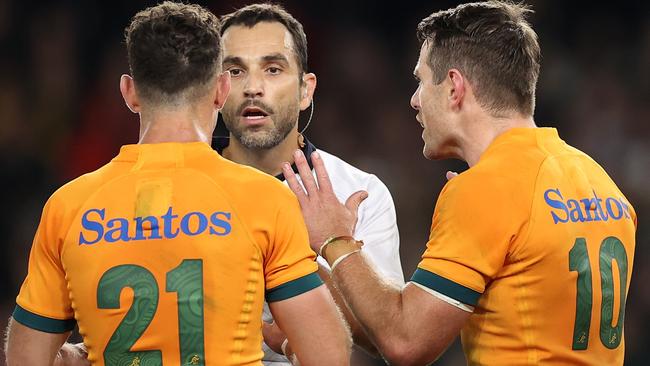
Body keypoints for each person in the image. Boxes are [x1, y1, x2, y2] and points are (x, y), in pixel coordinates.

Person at [283, 1, 637, 365]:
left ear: (454, 87)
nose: (414, 100)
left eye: (420, 81)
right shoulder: (601, 183)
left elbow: (406, 344)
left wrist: (335, 240)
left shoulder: (486, 190)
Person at [4, 2, 351, 366]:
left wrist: (84, 354)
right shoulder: (265, 199)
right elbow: (328, 355)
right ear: (221, 89)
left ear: (129, 92)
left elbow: (25, 358)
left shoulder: (68, 206)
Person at [214, 4, 403, 364]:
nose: (253, 88)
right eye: (235, 71)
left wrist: (324, 244)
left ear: (305, 90)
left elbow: (384, 340)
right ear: (216, 89)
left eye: (273, 69)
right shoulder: (180, 188)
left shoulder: (360, 192)